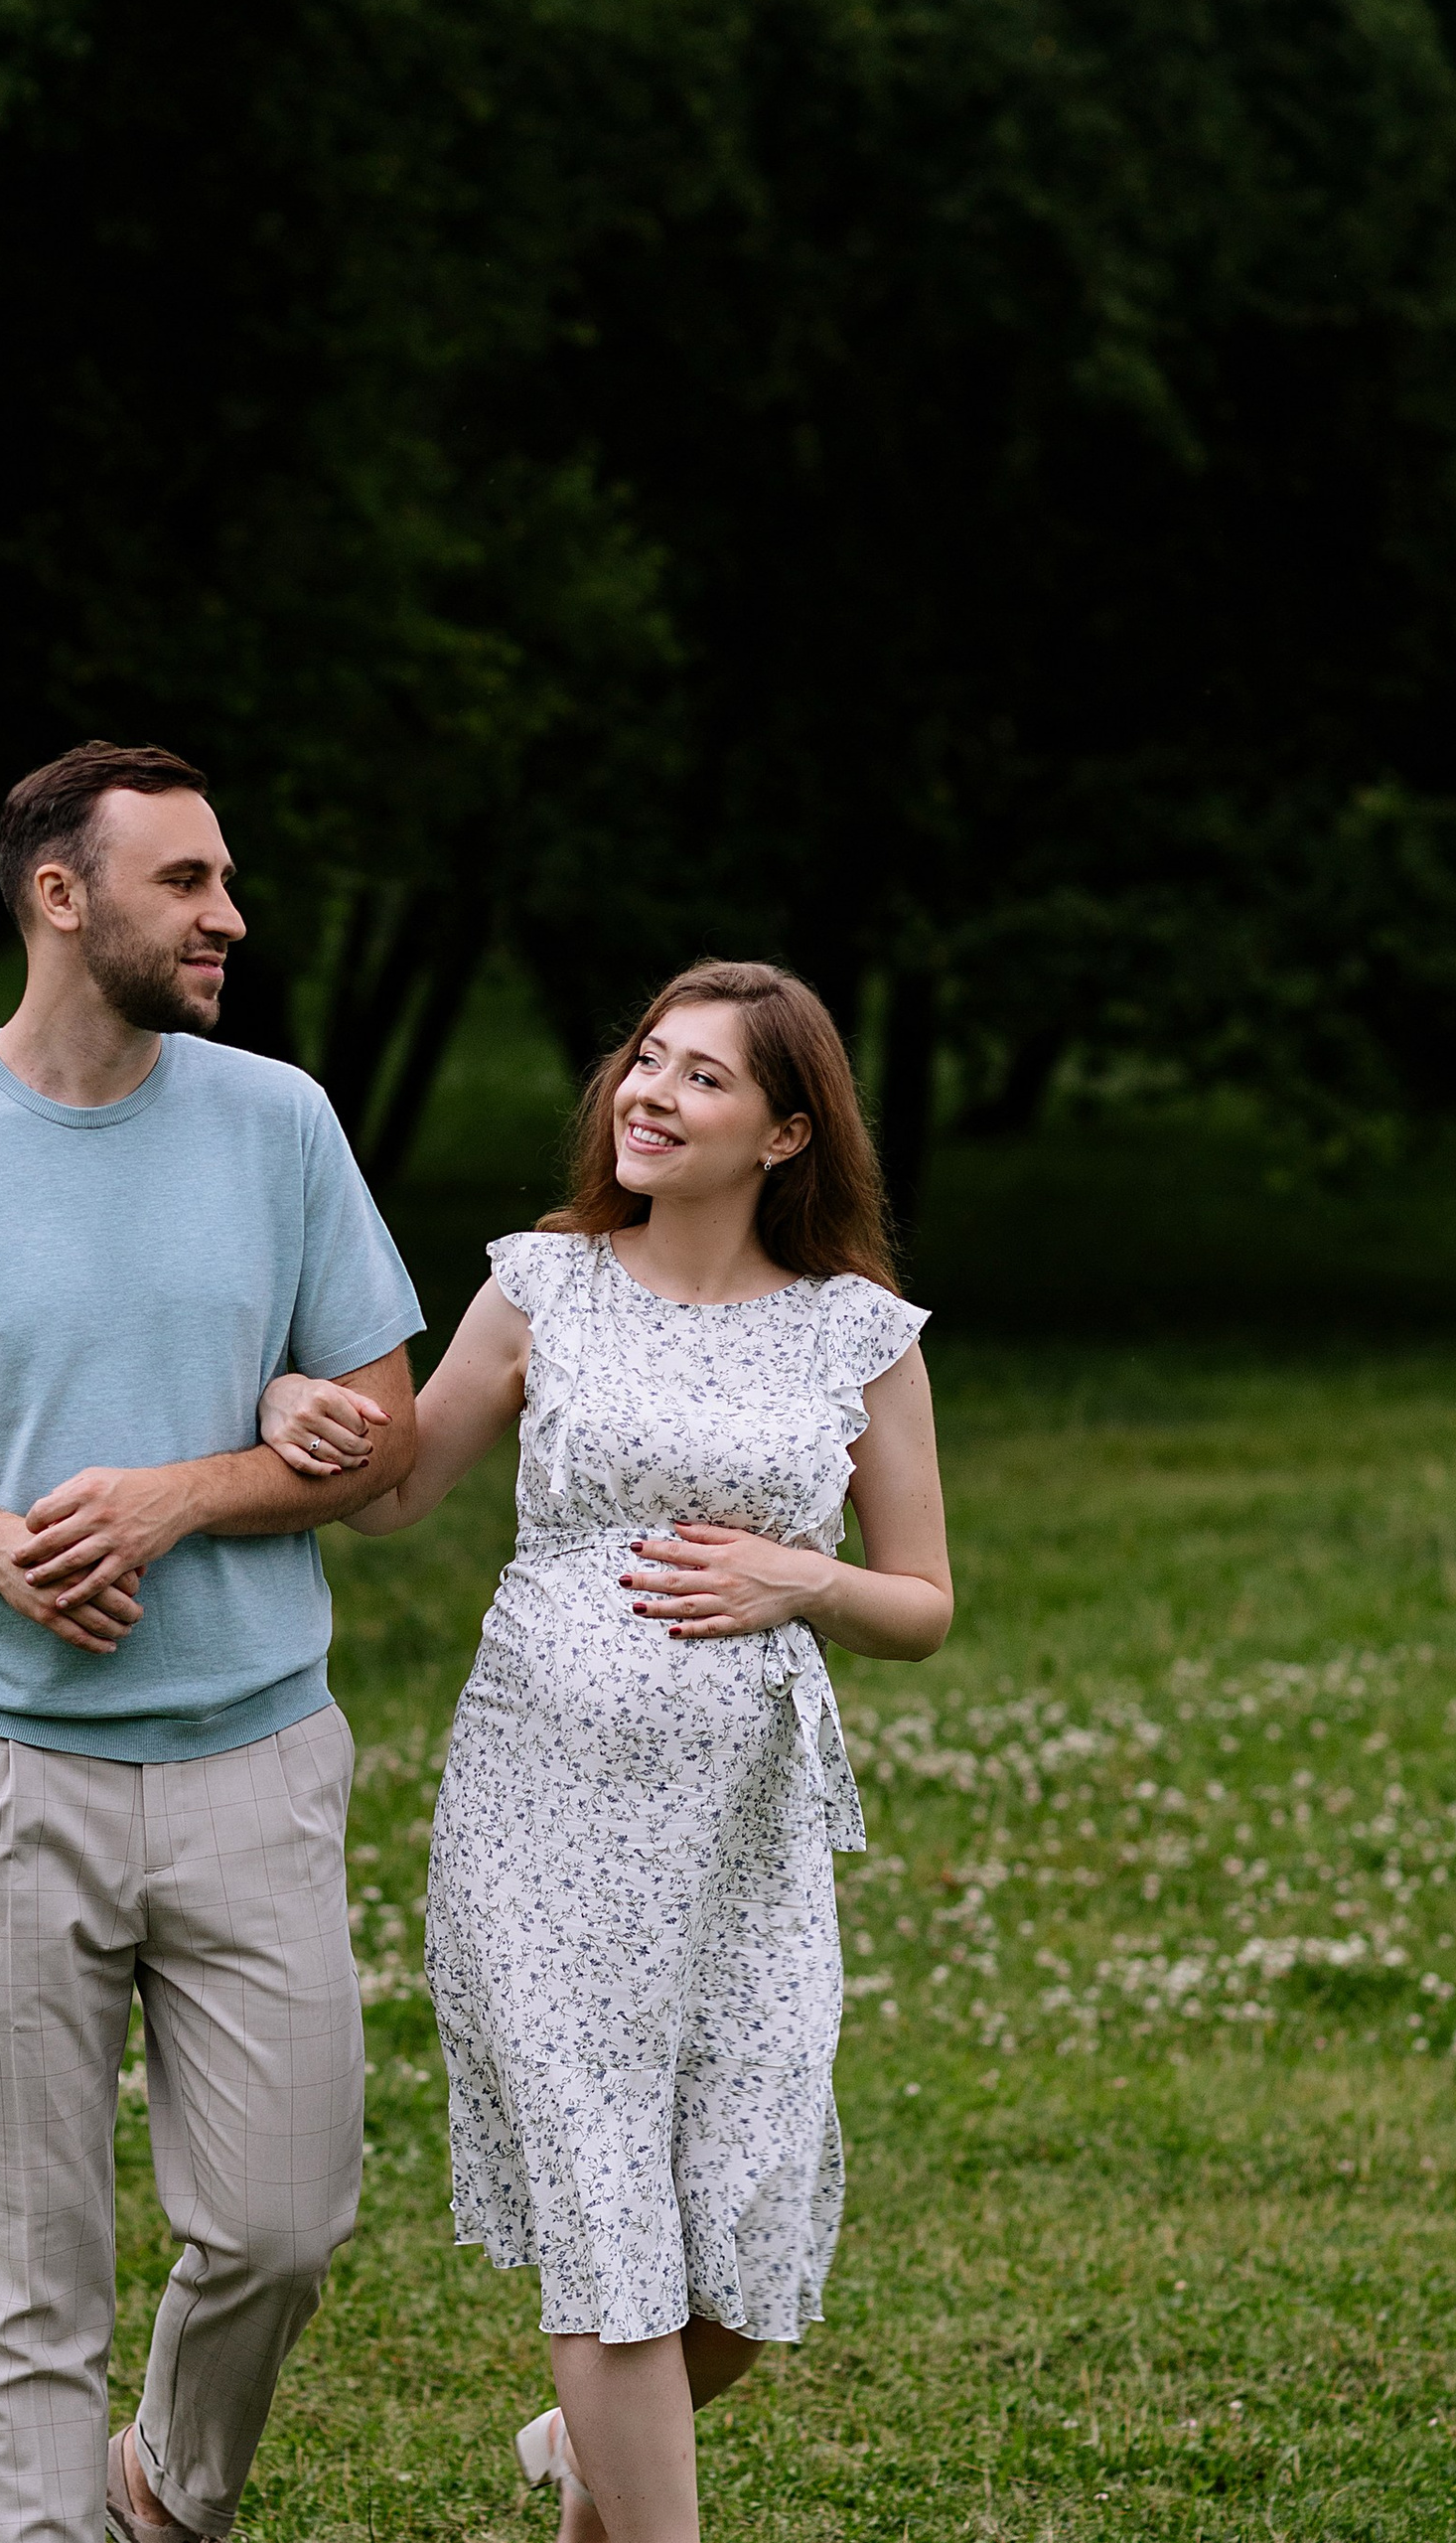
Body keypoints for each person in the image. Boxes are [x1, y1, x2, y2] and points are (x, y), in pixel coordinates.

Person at [0, 742, 423, 2543]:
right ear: (64, 896)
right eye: (187, 883)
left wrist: (186, 1495)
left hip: (255, 1757)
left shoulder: (278, 1120)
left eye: (224, 881)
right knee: (19, 2278)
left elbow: (389, 1432)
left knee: (283, 2223)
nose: (231, 916)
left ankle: (169, 2494)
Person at [258, 960, 952, 2543]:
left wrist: (806, 1580)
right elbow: (390, 1490)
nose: (649, 1092)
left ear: (787, 1132)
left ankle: (593, 2456)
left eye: (702, 1078)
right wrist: (300, 1397)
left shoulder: (859, 1334)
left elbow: (923, 1603)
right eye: (646, 1060)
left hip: (742, 1841)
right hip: (541, 1813)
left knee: (751, 2254)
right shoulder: (547, 1282)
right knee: (609, 2229)